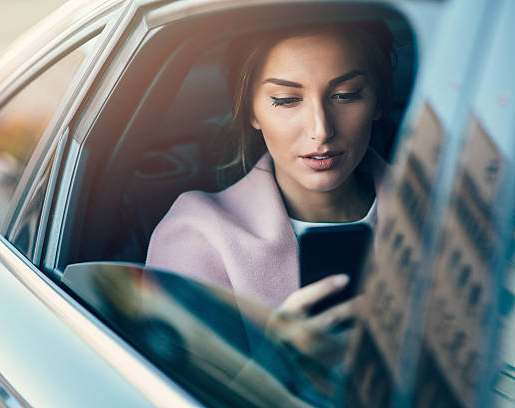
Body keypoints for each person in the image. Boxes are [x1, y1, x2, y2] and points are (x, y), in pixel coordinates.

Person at [146, 22, 395, 342]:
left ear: (377, 101)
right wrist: (276, 368)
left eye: (345, 95)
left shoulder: (442, 210)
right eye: (287, 100)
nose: (321, 129)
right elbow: (174, 386)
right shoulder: (196, 236)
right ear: (252, 111)